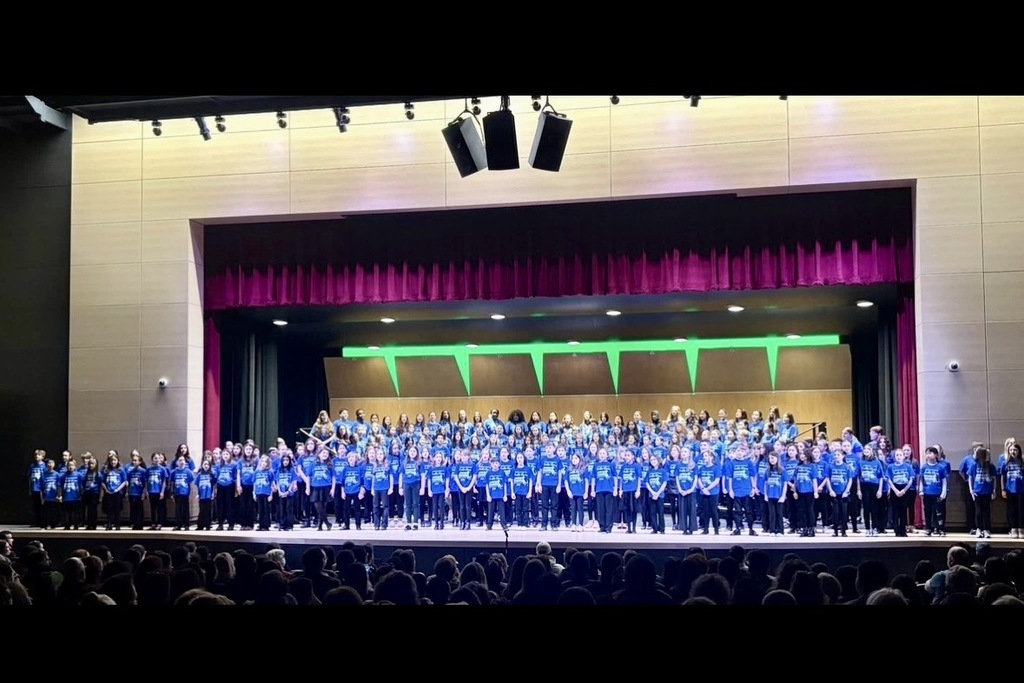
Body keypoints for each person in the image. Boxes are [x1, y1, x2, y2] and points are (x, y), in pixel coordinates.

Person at [919, 446, 948, 537]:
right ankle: (928, 528)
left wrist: (944, 492)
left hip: (937, 493)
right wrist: (921, 490)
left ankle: (941, 529)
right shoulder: (924, 467)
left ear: (935, 455)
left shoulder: (941, 467)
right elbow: (921, 480)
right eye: (927, 453)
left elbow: (944, 481)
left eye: (930, 453)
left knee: (939, 512)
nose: (928, 455)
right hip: (927, 493)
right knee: (927, 511)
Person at [969, 447, 997, 539]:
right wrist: (971, 490)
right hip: (977, 492)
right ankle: (978, 529)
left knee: (986, 511)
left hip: (987, 492)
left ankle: (986, 529)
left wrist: (993, 490)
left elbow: (994, 479)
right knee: (978, 511)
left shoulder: (991, 466)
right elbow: (970, 478)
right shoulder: (974, 465)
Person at [857, 445, 885, 536]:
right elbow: (858, 477)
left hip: (874, 486)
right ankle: (867, 528)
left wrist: (880, 490)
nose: (866, 450)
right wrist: (858, 490)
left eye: (868, 449)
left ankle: (875, 528)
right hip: (864, 486)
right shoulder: (860, 462)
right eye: (865, 449)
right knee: (866, 508)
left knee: (874, 508)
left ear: (872, 451)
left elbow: (881, 477)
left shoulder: (877, 462)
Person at [825, 449, 852, 537]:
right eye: (835, 455)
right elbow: (828, 479)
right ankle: (835, 530)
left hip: (844, 493)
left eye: (838, 455)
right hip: (834, 493)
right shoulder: (830, 466)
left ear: (843, 456)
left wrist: (846, 491)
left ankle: (843, 531)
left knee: (844, 512)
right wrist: (830, 490)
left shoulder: (846, 467)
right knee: (835, 513)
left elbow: (850, 480)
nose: (836, 456)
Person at [999, 442, 1023, 539]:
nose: (1013, 452)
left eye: (1015, 450)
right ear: (1009, 451)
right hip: (1010, 490)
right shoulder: (1005, 463)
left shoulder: (1022, 461)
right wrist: (1003, 489)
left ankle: (1021, 529)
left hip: (1021, 490)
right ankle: (1013, 528)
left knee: (1021, 510)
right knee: (1011, 510)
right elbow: (1002, 477)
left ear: (1019, 451)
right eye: (1011, 450)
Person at [696, 449, 722, 535]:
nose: (704, 458)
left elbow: (717, 480)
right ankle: (706, 528)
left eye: (706, 456)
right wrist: (703, 488)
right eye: (704, 456)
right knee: (705, 511)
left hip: (713, 492)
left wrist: (708, 489)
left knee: (714, 511)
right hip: (703, 492)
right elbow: (699, 479)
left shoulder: (716, 468)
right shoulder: (701, 468)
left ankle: (716, 529)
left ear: (711, 457)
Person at [399, 447, 425, 531]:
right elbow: (401, 475)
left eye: (414, 451)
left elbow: (423, 475)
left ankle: (415, 523)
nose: (412, 452)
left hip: (416, 484)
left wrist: (422, 488)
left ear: (417, 452)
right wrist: (400, 487)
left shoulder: (420, 463)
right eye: (411, 451)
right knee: (407, 504)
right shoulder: (405, 462)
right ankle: (408, 523)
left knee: (416, 504)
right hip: (406, 484)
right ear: (408, 452)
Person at [102, 451, 127, 530]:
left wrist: (117, 489)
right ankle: (109, 523)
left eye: (115, 460)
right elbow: (103, 481)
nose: (113, 462)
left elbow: (124, 481)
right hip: (109, 492)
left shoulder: (121, 470)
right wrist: (106, 490)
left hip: (117, 492)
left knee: (117, 509)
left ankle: (117, 524)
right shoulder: (106, 470)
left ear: (117, 461)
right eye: (112, 460)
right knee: (109, 509)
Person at [644, 454, 668, 534]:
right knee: (652, 512)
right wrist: (652, 492)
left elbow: (664, 483)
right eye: (651, 460)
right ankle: (654, 528)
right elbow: (647, 482)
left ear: (658, 461)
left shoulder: (663, 471)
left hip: (660, 495)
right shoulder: (649, 471)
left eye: (654, 460)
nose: (653, 461)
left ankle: (662, 529)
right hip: (651, 495)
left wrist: (657, 493)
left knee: (660, 512)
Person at [171, 456, 195, 530]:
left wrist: (191, 494)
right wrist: (172, 494)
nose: (182, 462)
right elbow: (172, 483)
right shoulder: (174, 472)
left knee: (185, 509)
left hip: (185, 493)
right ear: (177, 462)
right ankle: (178, 525)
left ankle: (186, 524)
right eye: (180, 460)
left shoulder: (188, 472)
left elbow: (191, 484)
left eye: (183, 460)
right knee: (178, 509)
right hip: (177, 493)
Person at [59, 458, 84, 530]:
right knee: (67, 513)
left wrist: (81, 495)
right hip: (66, 497)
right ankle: (67, 525)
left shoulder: (79, 475)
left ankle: (76, 525)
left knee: (75, 513)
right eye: (69, 465)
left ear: (75, 466)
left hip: (76, 497)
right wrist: (60, 495)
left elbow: (81, 486)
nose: (70, 467)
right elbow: (60, 486)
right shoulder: (63, 476)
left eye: (72, 465)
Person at [146, 453, 169, 531]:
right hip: (151, 491)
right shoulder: (149, 469)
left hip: (158, 492)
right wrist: (146, 491)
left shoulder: (162, 469)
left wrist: (162, 492)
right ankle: (153, 523)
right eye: (155, 458)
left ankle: (159, 523)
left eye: (158, 458)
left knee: (159, 509)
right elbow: (146, 481)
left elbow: (164, 482)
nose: (157, 460)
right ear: (152, 459)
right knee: (152, 508)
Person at [253, 455, 274, 531]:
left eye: (266, 462)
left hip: (266, 493)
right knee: (260, 509)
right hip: (258, 492)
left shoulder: (270, 472)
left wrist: (271, 494)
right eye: (262, 461)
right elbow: (254, 483)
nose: (264, 463)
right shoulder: (256, 472)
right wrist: (254, 493)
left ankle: (266, 525)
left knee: (266, 509)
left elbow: (272, 483)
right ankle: (261, 524)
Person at [194, 459, 216, 530]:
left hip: (209, 495)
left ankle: (207, 525)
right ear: (202, 465)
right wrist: (198, 494)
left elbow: (213, 485)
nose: (206, 466)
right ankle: (200, 525)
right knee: (202, 510)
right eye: (204, 464)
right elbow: (197, 485)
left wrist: (213, 493)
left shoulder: (211, 474)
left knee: (208, 510)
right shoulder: (199, 475)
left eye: (207, 464)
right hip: (201, 495)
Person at [28, 450, 47, 528]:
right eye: (35, 454)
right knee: (35, 506)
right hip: (34, 488)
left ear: (42, 456)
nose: (36, 456)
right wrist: (29, 488)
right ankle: (36, 521)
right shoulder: (32, 466)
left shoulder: (45, 466)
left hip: (41, 489)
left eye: (39, 455)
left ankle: (43, 522)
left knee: (42, 506)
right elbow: (29, 478)